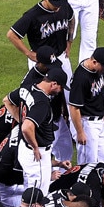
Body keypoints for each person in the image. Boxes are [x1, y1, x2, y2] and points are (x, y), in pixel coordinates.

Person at [9, 65, 68, 196]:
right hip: (36, 152)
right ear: (53, 84)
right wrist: (35, 147)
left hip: (24, 148)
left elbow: (7, 100)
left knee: (30, 189)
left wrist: (20, 119)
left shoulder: (27, 87)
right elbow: (26, 127)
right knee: (36, 196)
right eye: (60, 87)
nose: (60, 91)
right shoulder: (42, 103)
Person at [7, 0, 74, 68]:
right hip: (43, 62)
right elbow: (11, 34)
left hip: (62, 56)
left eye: (59, 3)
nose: (57, 7)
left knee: (69, 81)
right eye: (54, 4)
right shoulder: (32, 15)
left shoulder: (63, 5)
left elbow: (71, 18)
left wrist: (69, 41)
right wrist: (28, 53)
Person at [68, 47, 104, 166]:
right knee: (88, 163)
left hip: (99, 122)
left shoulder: (96, 70)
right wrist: (80, 132)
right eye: (103, 67)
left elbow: (99, 94)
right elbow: (74, 107)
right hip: (87, 124)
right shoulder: (81, 78)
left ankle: (101, 184)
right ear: (94, 62)